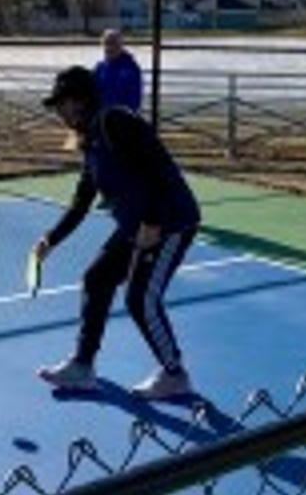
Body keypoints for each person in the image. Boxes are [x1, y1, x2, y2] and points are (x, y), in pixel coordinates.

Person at [33, 65, 199, 399]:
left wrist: (152, 223)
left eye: (61, 103)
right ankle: (82, 367)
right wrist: (51, 239)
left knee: (141, 298)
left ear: (79, 100)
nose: (58, 112)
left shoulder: (115, 121)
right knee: (97, 278)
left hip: (170, 221)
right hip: (136, 226)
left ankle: (175, 374)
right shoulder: (91, 139)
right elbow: (82, 200)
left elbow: (155, 168)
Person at [93, 28, 142, 112]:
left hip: (122, 118)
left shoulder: (130, 68)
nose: (110, 47)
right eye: (106, 43)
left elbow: (134, 99)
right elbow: (93, 93)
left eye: (114, 43)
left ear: (121, 45)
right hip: (102, 115)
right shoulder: (99, 68)